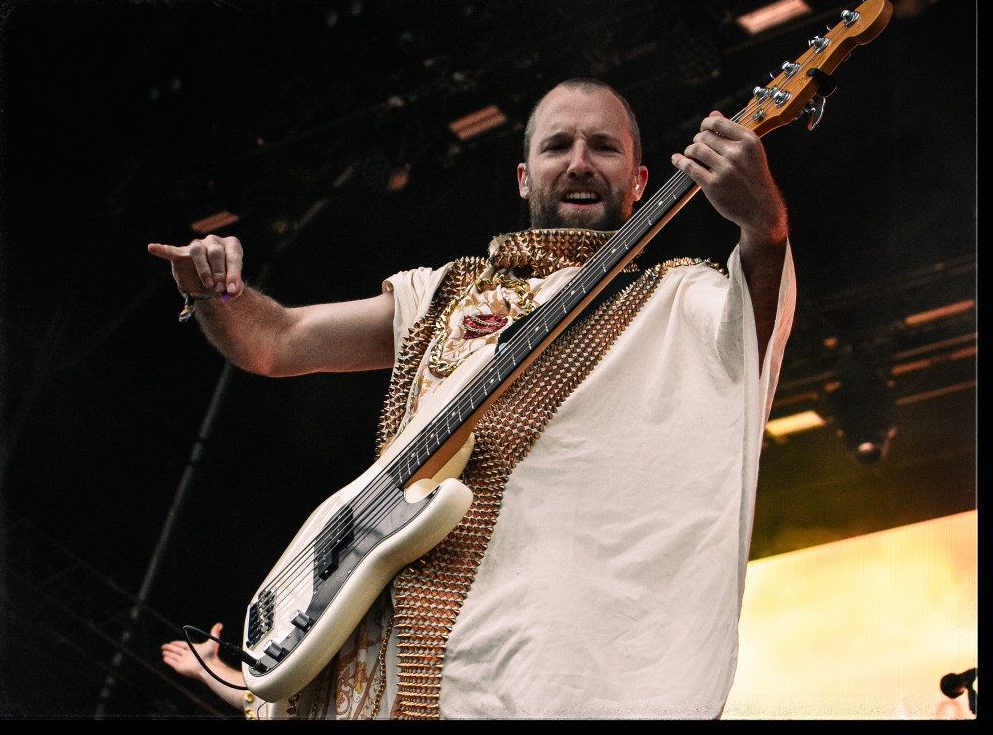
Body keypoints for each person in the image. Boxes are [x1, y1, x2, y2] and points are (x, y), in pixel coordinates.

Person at [150, 77, 795, 719]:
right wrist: (214, 291)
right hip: (382, 667)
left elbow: (748, 339)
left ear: (639, 181)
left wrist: (764, 227)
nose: (579, 162)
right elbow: (278, 342)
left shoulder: (676, 299)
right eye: (557, 146)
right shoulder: (443, 294)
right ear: (523, 178)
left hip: (530, 679)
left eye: (604, 147)